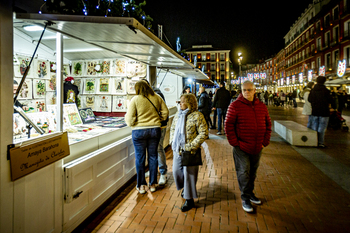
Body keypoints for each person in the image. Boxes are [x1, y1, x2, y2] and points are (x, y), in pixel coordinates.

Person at [225, 80, 272, 213]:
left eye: (249, 89)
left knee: (253, 172)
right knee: (243, 172)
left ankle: (250, 193)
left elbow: (268, 124)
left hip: (257, 146)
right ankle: (245, 197)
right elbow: (228, 125)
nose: (246, 92)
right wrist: (235, 143)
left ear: (254, 90)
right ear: (241, 91)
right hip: (242, 147)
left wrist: (265, 141)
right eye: (244, 90)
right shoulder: (234, 106)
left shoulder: (262, 106)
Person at [125, 81, 169, 194]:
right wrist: (157, 120)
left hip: (139, 131)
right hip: (154, 130)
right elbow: (165, 112)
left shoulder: (135, 99)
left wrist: (135, 122)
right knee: (153, 156)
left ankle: (141, 186)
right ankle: (153, 184)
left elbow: (129, 120)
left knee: (140, 158)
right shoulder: (157, 97)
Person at [170, 93, 208, 212]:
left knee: (189, 175)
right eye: (179, 101)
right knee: (176, 171)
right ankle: (186, 190)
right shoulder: (177, 115)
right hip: (178, 150)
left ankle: (189, 199)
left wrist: (191, 146)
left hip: (190, 151)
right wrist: (172, 141)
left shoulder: (198, 116)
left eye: (182, 102)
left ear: (189, 103)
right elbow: (172, 128)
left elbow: (204, 133)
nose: (180, 103)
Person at [308, 76, 332, 148]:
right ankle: (320, 142)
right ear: (324, 81)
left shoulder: (313, 91)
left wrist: (314, 103)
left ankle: (314, 141)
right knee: (322, 127)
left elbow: (309, 99)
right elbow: (331, 100)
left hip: (315, 111)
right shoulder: (326, 91)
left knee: (314, 126)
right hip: (324, 112)